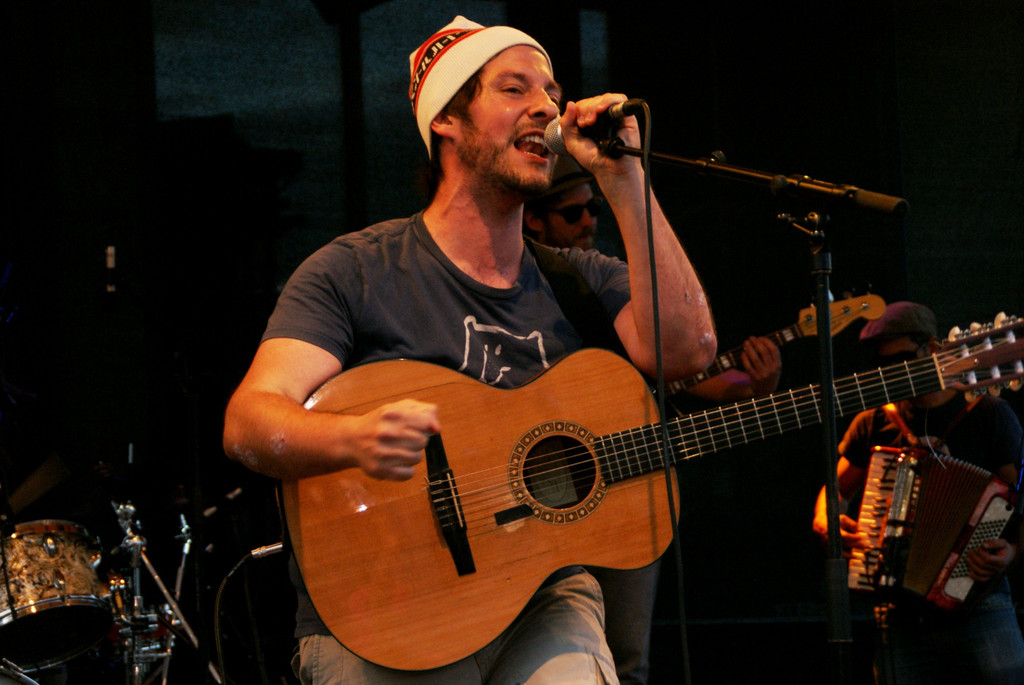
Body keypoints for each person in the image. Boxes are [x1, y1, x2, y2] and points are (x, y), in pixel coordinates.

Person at [222, 15, 717, 685]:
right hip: (388, 611)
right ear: (446, 121)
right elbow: (249, 423)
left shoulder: (579, 279)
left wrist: (625, 177)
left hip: (541, 596)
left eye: (551, 92)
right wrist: (352, 439)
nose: (546, 107)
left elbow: (689, 351)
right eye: (515, 89)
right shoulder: (354, 271)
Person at [522, 155, 781, 684]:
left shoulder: (610, 283)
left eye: (594, 209)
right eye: (573, 213)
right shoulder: (523, 288)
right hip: (536, 493)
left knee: (625, 660)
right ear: (535, 219)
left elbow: (691, 372)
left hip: (624, 489)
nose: (589, 221)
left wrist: (757, 385)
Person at [811, 301, 1024, 684]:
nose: (892, 373)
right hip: (898, 613)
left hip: (981, 603)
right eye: (884, 364)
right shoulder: (874, 421)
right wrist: (826, 522)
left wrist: (1012, 551)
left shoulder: (989, 414)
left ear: (933, 348)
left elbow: (1020, 499)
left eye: (902, 360)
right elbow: (835, 491)